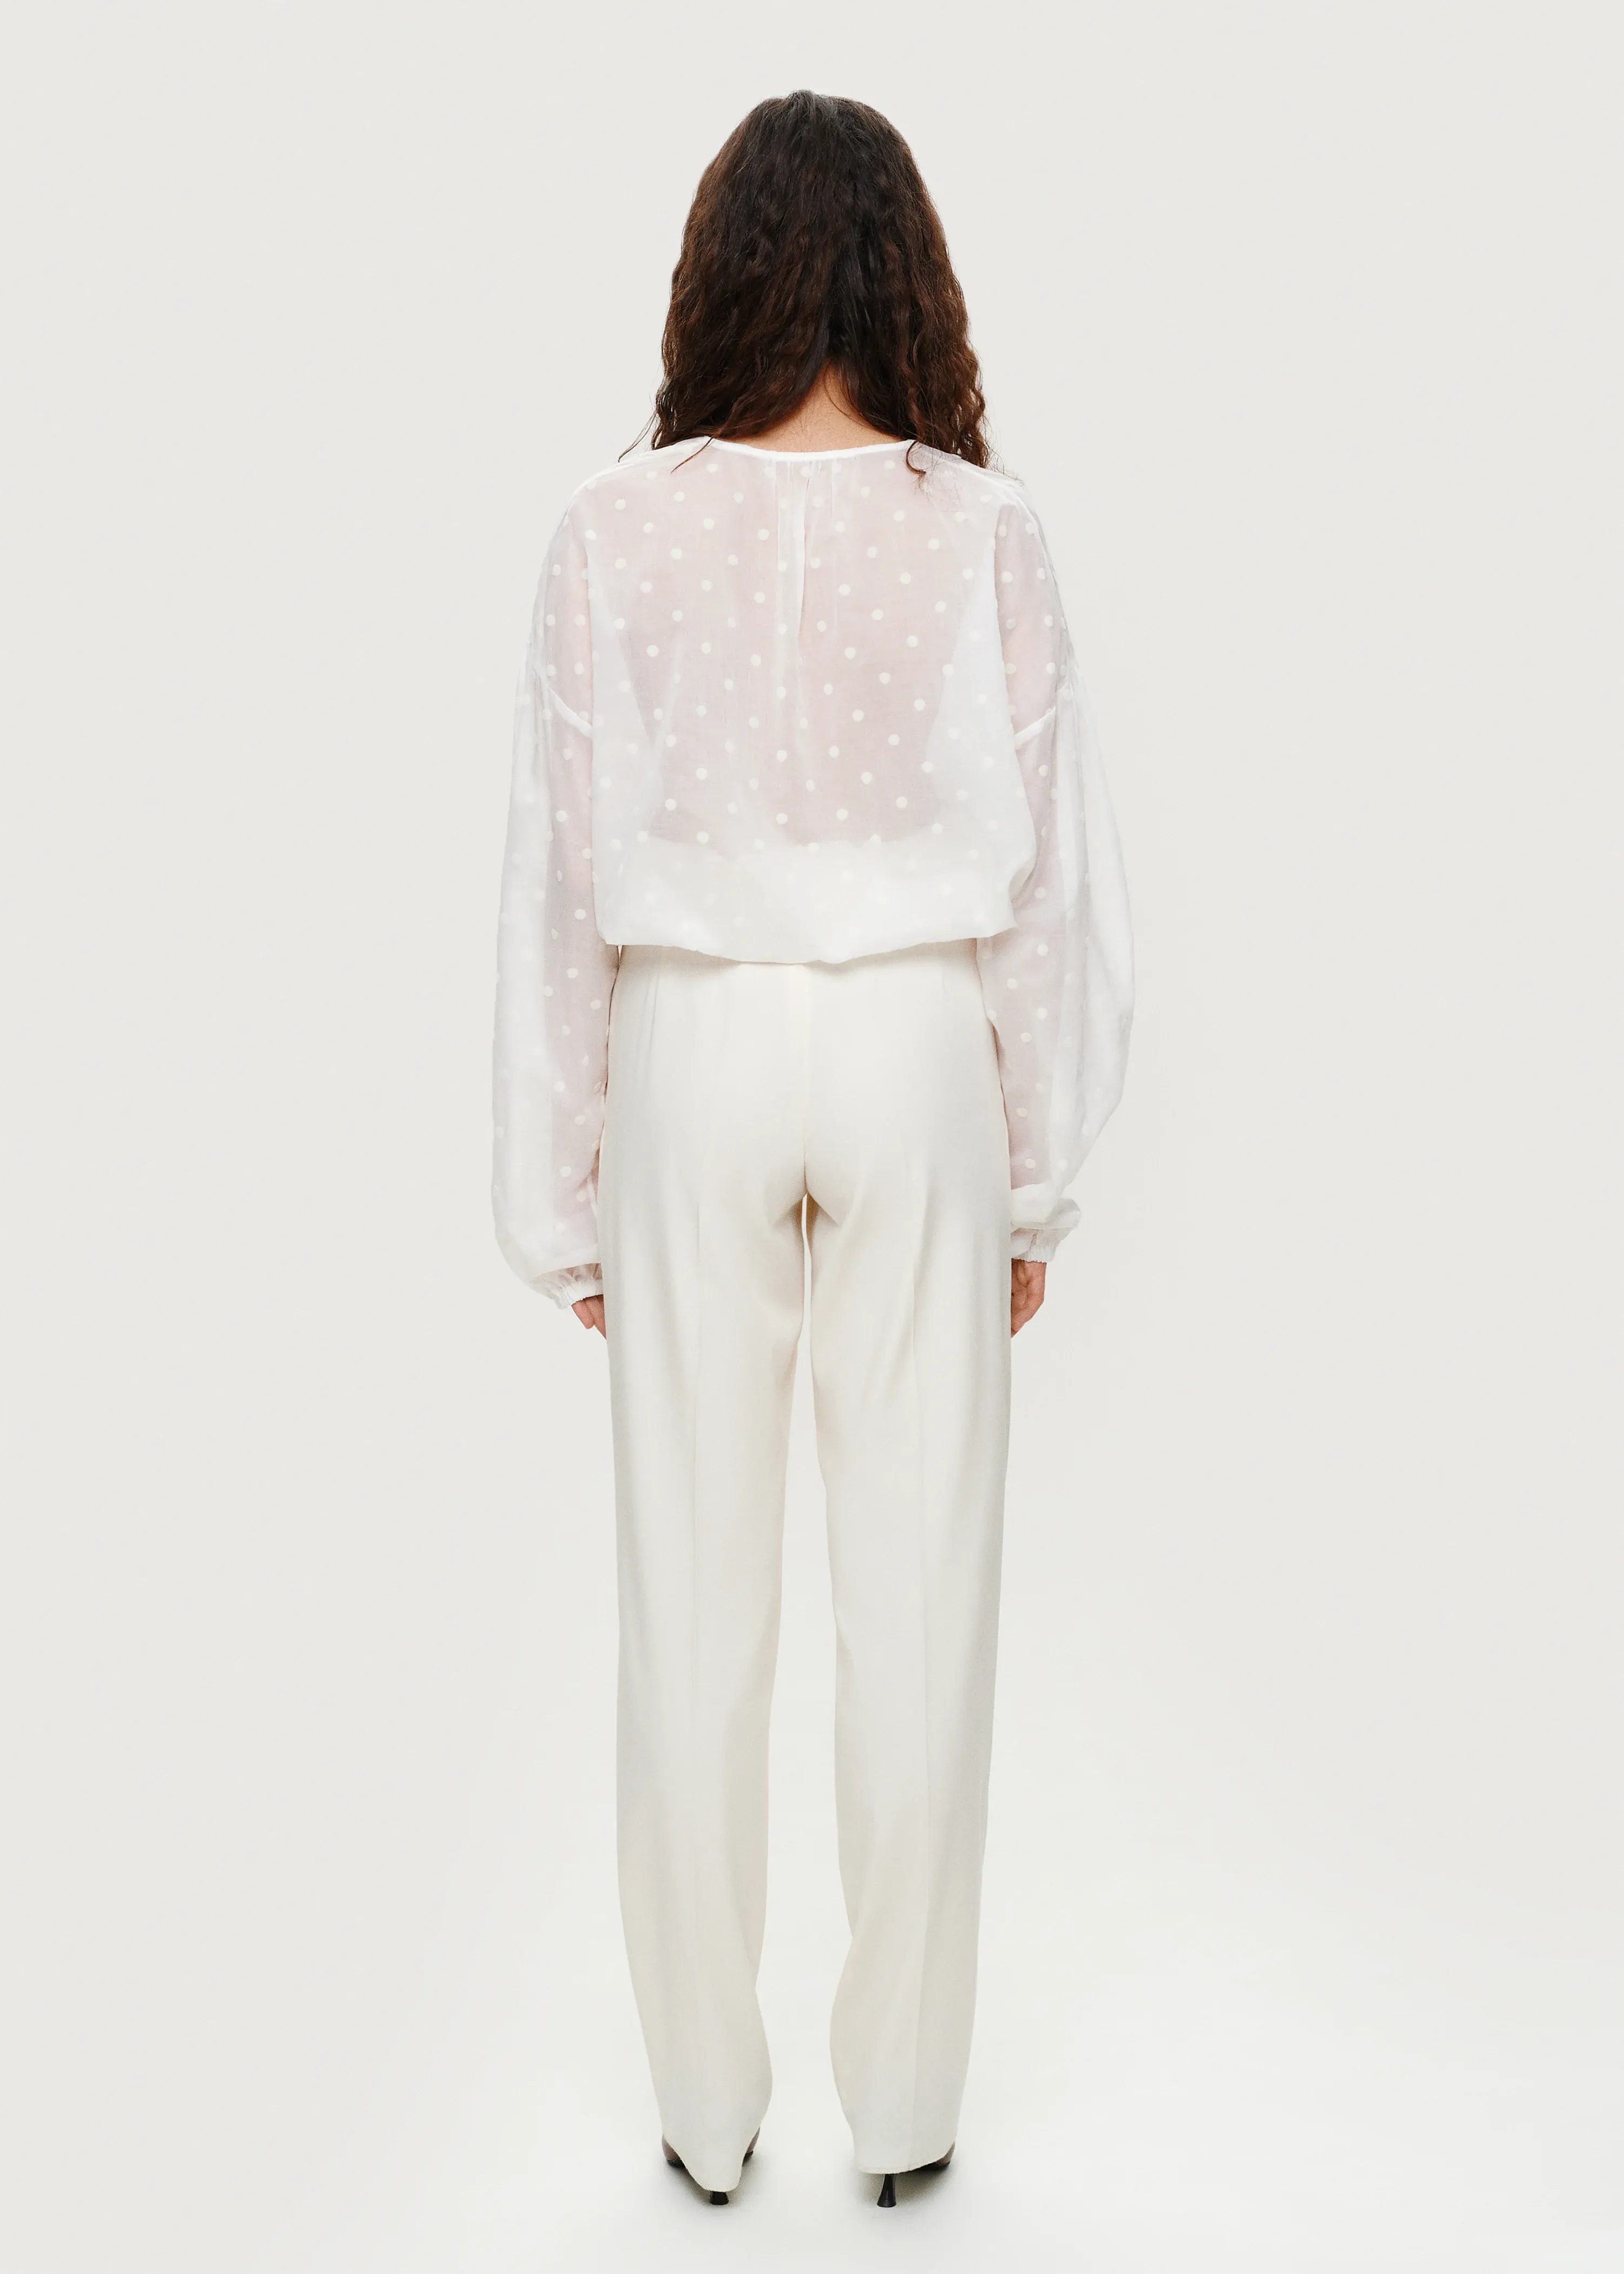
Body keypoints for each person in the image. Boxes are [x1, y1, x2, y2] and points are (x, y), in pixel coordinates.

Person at [492, 89, 1133, 2209]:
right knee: (921, 1599)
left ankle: (704, 2113)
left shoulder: (612, 530)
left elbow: (559, 877)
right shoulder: (985, 530)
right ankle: (910, 2114)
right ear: (907, 277)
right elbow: (1051, 892)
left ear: (722, 276)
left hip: (688, 1048)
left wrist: (564, 1202)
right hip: (913, 1047)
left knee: (686, 1604)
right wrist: (1031, 1180)